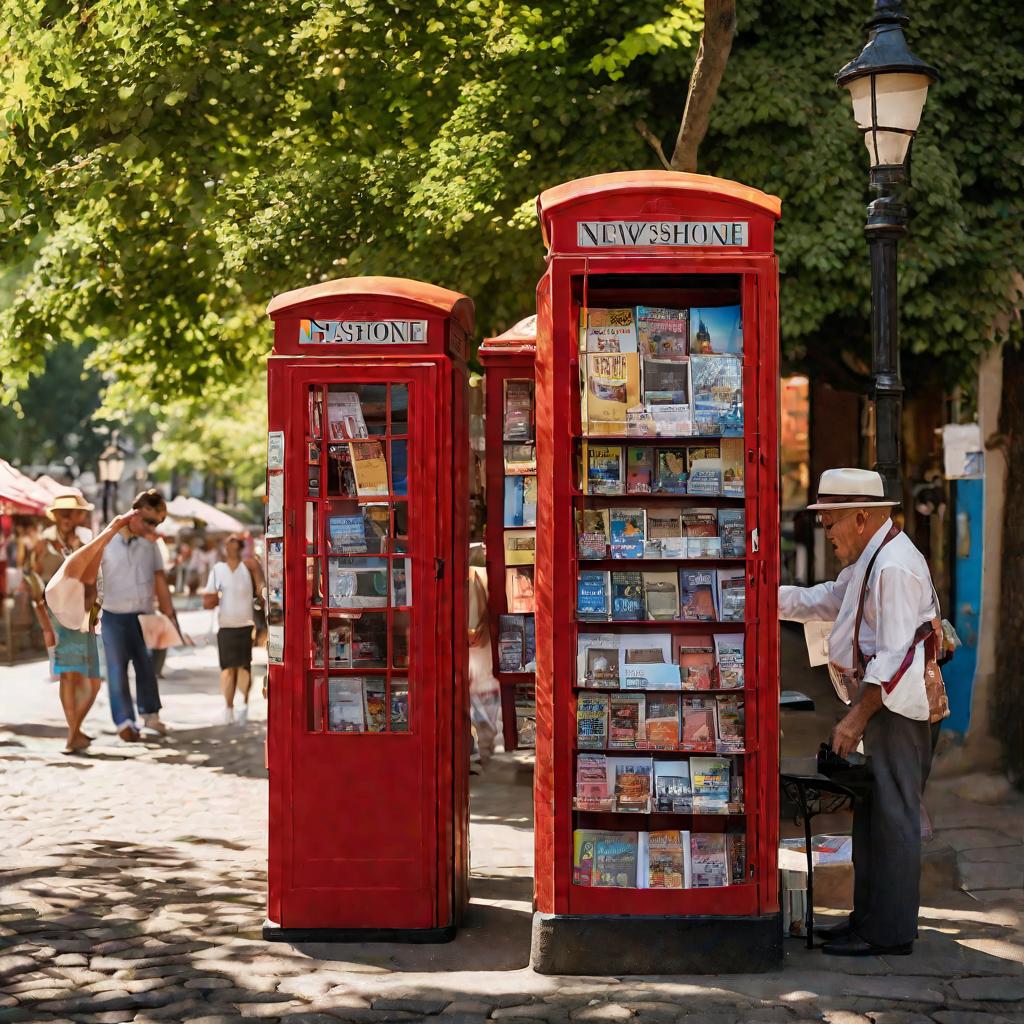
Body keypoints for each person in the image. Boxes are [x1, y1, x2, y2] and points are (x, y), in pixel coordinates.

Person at [779, 467, 941, 957]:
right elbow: (825, 600)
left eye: (830, 523)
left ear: (862, 517)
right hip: (882, 705)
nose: (826, 534)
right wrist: (760, 594)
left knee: (893, 815)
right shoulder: (872, 558)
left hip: (896, 709)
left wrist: (855, 718)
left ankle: (888, 933)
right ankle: (866, 921)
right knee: (871, 815)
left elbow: (892, 657)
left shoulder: (893, 567)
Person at [99, 489, 178, 742]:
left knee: (146, 667)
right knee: (116, 670)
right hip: (112, 615)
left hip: (144, 616)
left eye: (158, 522)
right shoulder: (106, 541)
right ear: (134, 513)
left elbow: (160, 581)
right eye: (150, 521)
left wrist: (170, 615)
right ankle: (124, 721)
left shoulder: (151, 547)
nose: (154, 527)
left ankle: (150, 715)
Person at [28, 491, 102, 753]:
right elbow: (34, 586)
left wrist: (92, 617)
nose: (69, 517)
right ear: (56, 515)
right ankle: (73, 734)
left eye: (74, 512)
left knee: (93, 679)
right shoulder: (43, 544)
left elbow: (95, 583)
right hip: (57, 619)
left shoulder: (86, 541)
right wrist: (46, 626)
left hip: (83, 616)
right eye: (64, 512)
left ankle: (75, 730)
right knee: (68, 678)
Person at [202, 533, 265, 725]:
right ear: (225, 547)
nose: (232, 545)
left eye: (236, 542)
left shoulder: (250, 565)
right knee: (228, 669)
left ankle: (243, 706)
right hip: (226, 625)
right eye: (229, 541)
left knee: (244, 667)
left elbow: (262, 590)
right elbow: (207, 601)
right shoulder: (218, 570)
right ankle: (228, 708)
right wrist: (216, 597)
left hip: (245, 624)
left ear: (241, 546)